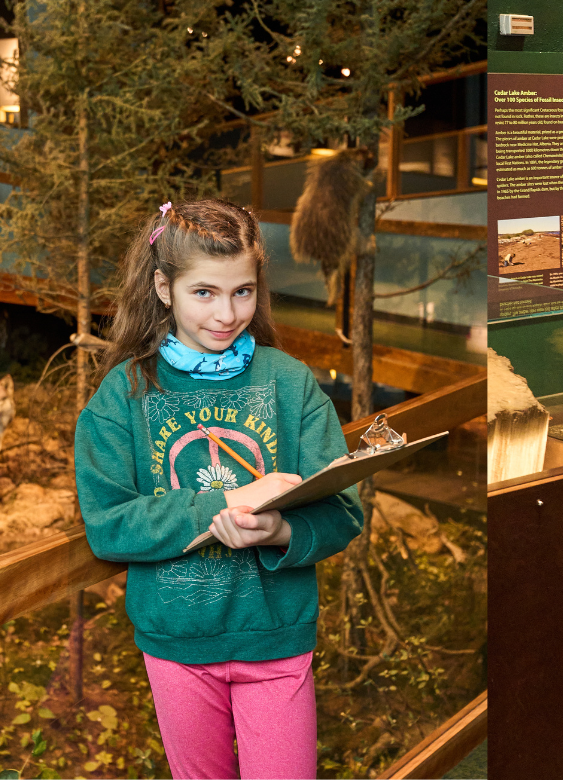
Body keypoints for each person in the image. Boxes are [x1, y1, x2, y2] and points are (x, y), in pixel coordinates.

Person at [74, 199, 365, 779]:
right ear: (163, 287)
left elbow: (344, 509)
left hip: (277, 640)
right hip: (177, 645)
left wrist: (281, 528)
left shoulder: (289, 382)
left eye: (243, 292)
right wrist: (224, 503)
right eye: (204, 292)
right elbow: (109, 525)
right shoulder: (122, 395)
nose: (227, 314)